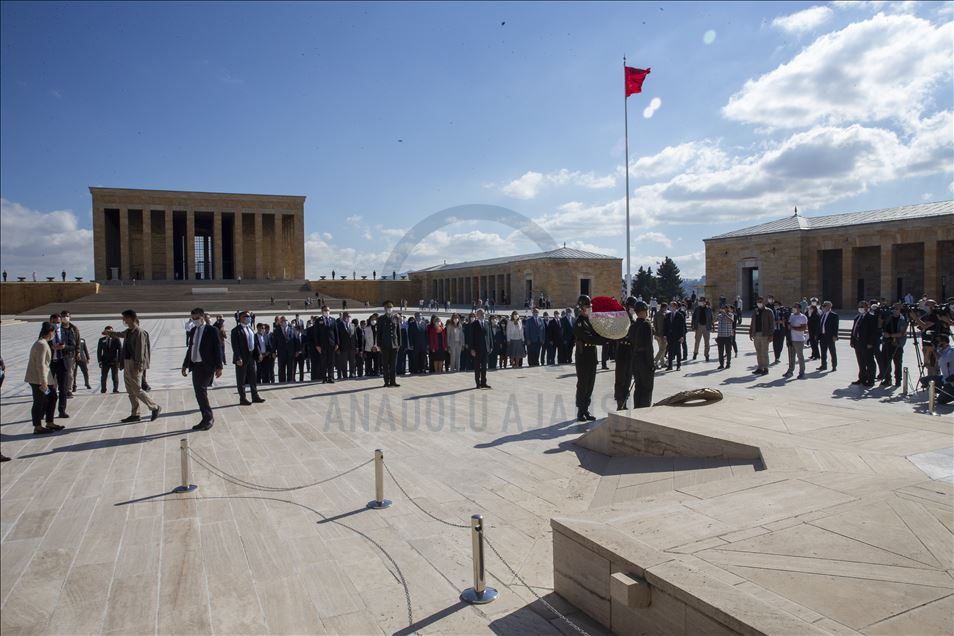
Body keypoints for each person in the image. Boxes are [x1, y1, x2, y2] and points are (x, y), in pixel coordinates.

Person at [116, 309, 161, 422]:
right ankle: (135, 414)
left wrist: (137, 366)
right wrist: (109, 333)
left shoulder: (139, 332)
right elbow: (120, 334)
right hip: (126, 362)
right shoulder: (129, 331)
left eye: (125, 318)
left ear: (131, 318)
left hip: (134, 363)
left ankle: (155, 407)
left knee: (137, 389)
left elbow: (140, 351)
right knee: (130, 390)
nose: (124, 320)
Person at [182, 308, 223, 430]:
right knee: (199, 392)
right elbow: (191, 348)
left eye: (196, 318)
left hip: (207, 365)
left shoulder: (212, 330)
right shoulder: (194, 330)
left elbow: (217, 348)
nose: (194, 321)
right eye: (192, 318)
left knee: (201, 391)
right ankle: (206, 417)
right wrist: (185, 365)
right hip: (196, 365)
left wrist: (219, 366)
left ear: (202, 317)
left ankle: (208, 418)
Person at [574, 295, 606, 422]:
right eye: (587, 307)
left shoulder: (590, 321)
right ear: (581, 308)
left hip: (591, 355)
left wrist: (606, 336)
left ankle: (586, 409)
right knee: (582, 384)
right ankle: (580, 411)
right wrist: (603, 340)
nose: (590, 309)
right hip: (583, 357)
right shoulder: (579, 322)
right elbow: (589, 337)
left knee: (590, 384)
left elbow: (597, 333)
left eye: (590, 307)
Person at [26, 322, 61, 434]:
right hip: (38, 379)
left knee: (52, 397)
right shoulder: (41, 344)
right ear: (50, 332)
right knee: (39, 402)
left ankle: (49, 422)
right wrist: (43, 382)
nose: (54, 334)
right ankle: (37, 426)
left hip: (45, 377)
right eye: (53, 332)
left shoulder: (43, 343)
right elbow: (40, 364)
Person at [231, 311, 265, 406]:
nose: (248, 318)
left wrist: (258, 354)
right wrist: (238, 357)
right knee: (241, 379)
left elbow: (255, 343)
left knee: (253, 377)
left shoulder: (250, 328)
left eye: (249, 316)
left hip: (251, 357)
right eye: (246, 316)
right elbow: (235, 346)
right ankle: (243, 398)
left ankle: (255, 395)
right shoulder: (236, 330)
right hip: (242, 358)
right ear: (241, 318)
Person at [630, 301, 655, 408]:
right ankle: (644, 411)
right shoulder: (646, 325)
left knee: (638, 387)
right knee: (647, 388)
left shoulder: (633, 326)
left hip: (635, 359)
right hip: (645, 360)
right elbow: (649, 346)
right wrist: (651, 363)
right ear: (644, 310)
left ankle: (637, 408)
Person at [48, 313, 73, 418]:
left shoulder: (66, 332)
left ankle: (62, 410)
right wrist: (51, 347)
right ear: (50, 322)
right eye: (54, 322)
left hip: (62, 362)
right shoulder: (46, 333)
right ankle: (47, 410)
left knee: (63, 388)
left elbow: (73, 346)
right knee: (49, 388)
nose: (56, 324)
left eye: (58, 322)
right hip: (51, 363)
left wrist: (64, 347)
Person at [614, 297, 638, 410]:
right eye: (633, 307)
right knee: (621, 377)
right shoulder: (622, 317)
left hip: (630, 350)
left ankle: (625, 400)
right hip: (623, 349)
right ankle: (620, 401)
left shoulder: (633, 318)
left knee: (628, 377)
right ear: (628, 306)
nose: (634, 309)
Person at [850, 300, 879, 387]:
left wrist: (870, 342)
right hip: (858, 343)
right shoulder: (857, 317)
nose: (860, 308)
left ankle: (871, 380)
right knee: (861, 362)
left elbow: (873, 331)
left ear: (867, 307)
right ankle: (862, 378)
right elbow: (854, 329)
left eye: (862, 306)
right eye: (859, 306)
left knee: (869, 362)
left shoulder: (871, 317)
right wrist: (852, 340)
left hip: (866, 343)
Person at [919, 333, 953, 404]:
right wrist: (928, 351)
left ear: (944, 342)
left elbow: (942, 359)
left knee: (940, 401)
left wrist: (934, 350)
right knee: (924, 380)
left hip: (952, 381)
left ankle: (949, 393)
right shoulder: (941, 351)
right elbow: (926, 362)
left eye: (938, 342)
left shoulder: (951, 351)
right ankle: (943, 391)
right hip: (944, 379)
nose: (937, 344)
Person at [879, 303, 908, 387]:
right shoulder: (889, 318)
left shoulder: (903, 319)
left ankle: (898, 380)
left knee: (897, 363)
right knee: (886, 362)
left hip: (897, 344)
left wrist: (891, 335)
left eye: (897, 309)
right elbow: (882, 327)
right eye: (894, 308)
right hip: (887, 343)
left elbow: (902, 333)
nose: (895, 310)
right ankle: (887, 379)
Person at [468, 308, 493, 388]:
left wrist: (491, 346)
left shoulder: (487, 323)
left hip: (485, 349)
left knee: (484, 367)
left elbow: (490, 336)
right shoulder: (473, 324)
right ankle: (478, 383)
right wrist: (472, 349)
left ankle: (483, 382)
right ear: (477, 315)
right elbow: (471, 338)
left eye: (483, 313)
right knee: (477, 367)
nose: (483, 315)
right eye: (481, 314)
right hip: (477, 349)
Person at [378, 301, 401, 387]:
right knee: (385, 365)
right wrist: (379, 345)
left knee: (393, 365)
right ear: (385, 309)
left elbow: (398, 332)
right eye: (388, 308)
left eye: (390, 308)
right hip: (385, 345)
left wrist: (399, 344)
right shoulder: (381, 319)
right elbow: (379, 333)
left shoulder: (395, 318)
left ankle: (393, 381)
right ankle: (386, 382)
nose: (389, 309)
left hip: (394, 345)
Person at [784, 303, 808, 379]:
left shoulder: (803, 317)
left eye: (795, 307)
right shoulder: (791, 316)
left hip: (799, 340)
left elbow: (803, 328)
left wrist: (793, 328)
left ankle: (802, 372)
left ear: (799, 309)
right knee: (791, 357)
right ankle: (790, 371)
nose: (794, 308)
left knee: (800, 356)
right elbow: (788, 326)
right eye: (793, 307)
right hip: (791, 339)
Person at [316, 306, 338, 383]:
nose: (327, 311)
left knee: (331, 362)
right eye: (325, 310)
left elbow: (336, 332)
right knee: (324, 362)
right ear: (322, 311)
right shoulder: (318, 320)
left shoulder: (333, 320)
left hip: (332, 344)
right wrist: (317, 345)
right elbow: (316, 334)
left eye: (328, 310)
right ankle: (324, 378)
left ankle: (331, 377)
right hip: (322, 345)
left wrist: (337, 343)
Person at [97, 326, 122, 393]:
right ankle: (103, 389)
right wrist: (99, 361)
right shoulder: (101, 340)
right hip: (105, 361)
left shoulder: (116, 339)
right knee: (103, 376)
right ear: (105, 332)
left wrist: (120, 361)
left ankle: (115, 389)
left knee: (115, 376)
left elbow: (120, 350)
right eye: (108, 331)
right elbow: (99, 351)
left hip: (114, 361)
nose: (109, 332)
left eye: (111, 331)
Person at [663, 301, 686, 371]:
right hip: (670, 336)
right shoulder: (668, 315)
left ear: (675, 307)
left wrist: (682, 336)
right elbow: (665, 326)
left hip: (677, 336)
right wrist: (665, 335)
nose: (671, 307)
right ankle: (670, 366)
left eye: (672, 306)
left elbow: (682, 327)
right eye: (670, 306)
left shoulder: (680, 315)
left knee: (678, 351)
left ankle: (678, 366)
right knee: (670, 351)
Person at [817, 301, 839, 372]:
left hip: (830, 336)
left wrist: (835, 336)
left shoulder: (834, 315)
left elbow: (836, 327)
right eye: (823, 305)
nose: (823, 307)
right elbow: (820, 325)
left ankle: (834, 366)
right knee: (823, 352)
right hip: (823, 336)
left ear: (829, 306)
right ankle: (823, 365)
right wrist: (817, 335)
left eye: (824, 305)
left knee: (832, 352)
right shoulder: (822, 315)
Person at [691, 297, 712, 362]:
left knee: (707, 342)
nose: (700, 302)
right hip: (699, 326)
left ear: (705, 302)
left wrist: (712, 326)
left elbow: (711, 318)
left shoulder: (708, 309)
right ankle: (695, 353)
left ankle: (706, 355)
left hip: (706, 326)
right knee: (697, 341)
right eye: (700, 301)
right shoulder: (697, 309)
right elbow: (693, 317)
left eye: (702, 301)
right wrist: (693, 326)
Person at [336, 312, 356, 379]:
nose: (349, 318)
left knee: (352, 361)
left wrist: (356, 347)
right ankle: (344, 375)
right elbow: (338, 337)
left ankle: (352, 373)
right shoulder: (339, 325)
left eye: (350, 316)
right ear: (344, 317)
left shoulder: (352, 325)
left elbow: (355, 337)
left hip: (352, 347)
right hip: (343, 347)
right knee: (344, 362)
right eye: (348, 316)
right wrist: (338, 347)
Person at [715, 304, 734, 369]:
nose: (724, 309)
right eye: (723, 308)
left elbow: (731, 321)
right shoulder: (720, 316)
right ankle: (721, 364)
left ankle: (728, 363)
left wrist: (725, 314)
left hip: (728, 336)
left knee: (728, 351)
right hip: (720, 336)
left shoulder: (730, 315)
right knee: (720, 351)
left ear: (727, 309)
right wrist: (717, 312)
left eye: (725, 308)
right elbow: (714, 320)